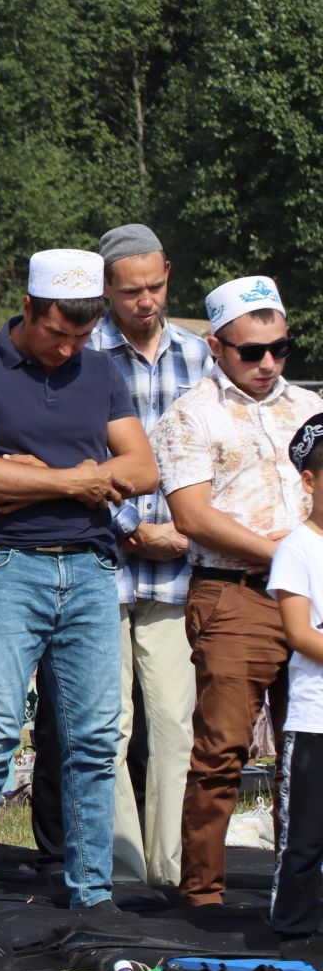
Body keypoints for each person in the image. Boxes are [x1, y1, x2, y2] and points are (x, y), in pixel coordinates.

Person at [0, 249, 158, 911]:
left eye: (83, 336)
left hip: (90, 568)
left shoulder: (101, 371)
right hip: (6, 568)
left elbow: (143, 468)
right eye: (57, 333)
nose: (68, 348)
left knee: (95, 738)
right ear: (27, 309)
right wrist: (79, 478)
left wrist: (24, 477)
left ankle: (92, 894)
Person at [151, 276, 321, 907]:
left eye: (280, 347)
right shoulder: (190, 415)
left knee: (307, 751)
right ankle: (203, 895)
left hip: (309, 596)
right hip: (236, 595)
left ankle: (297, 889)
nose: (268, 362)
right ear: (217, 347)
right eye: (252, 351)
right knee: (222, 748)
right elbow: (193, 517)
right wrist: (290, 556)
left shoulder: (308, 408)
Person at [85, 224, 209, 888]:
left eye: (156, 286)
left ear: (168, 273)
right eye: (131, 291)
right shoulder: (84, 359)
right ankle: (122, 876)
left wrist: (192, 529)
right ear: (106, 290)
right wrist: (132, 526)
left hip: (180, 569)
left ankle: (174, 871)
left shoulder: (202, 358)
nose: (146, 302)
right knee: (108, 728)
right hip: (105, 566)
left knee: (175, 724)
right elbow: (71, 458)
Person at [267, 415, 323, 955]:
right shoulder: (298, 549)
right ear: (309, 481)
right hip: (315, 721)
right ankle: (293, 933)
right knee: (304, 835)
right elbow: (299, 632)